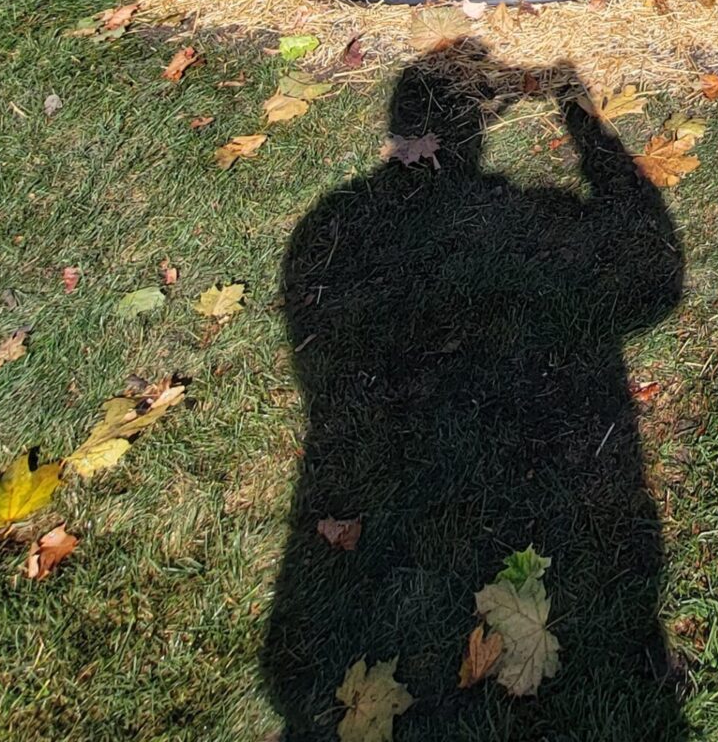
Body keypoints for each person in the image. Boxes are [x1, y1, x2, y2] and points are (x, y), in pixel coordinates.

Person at [262, 42, 686, 738]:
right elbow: (654, 285)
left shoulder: (335, 223)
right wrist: (583, 124)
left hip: (389, 479)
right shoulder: (362, 222)